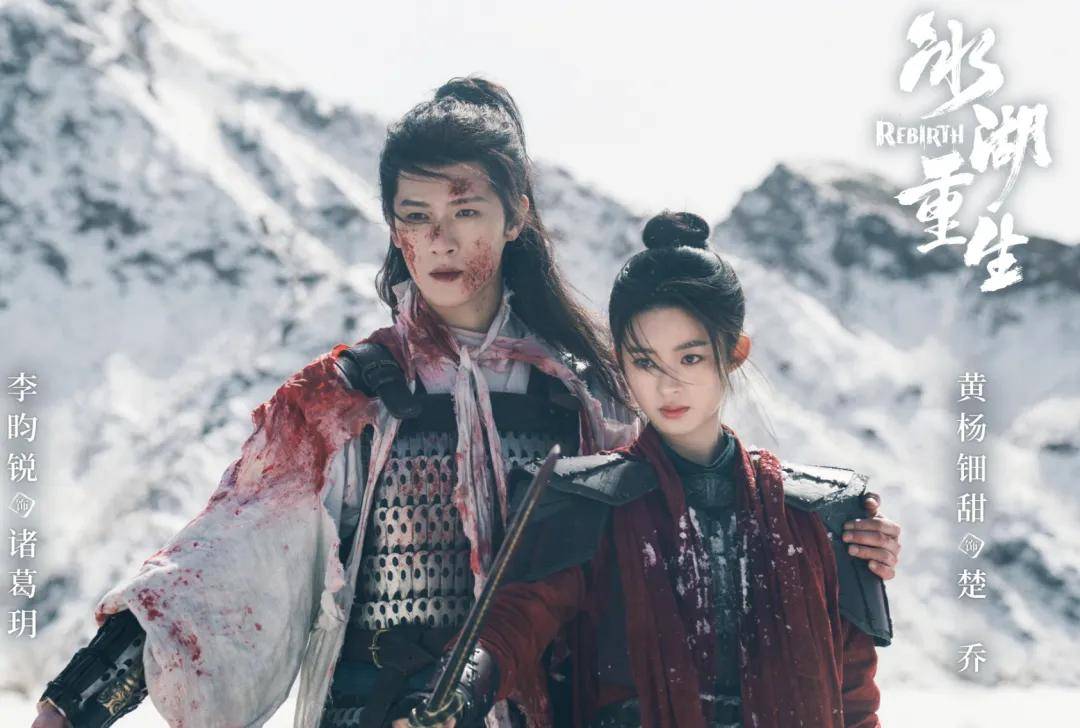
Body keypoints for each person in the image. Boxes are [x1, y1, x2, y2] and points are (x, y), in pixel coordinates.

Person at [32, 81, 899, 728]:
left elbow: (693, 528)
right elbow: (213, 568)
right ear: (393, 229)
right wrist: (79, 699)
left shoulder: (585, 395)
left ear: (514, 216)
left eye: (466, 210)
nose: (440, 239)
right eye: (415, 215)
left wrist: (842, 541)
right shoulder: (346, 399)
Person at [402, 212, 898, 728]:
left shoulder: (817, 514)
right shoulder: (587, 505)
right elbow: (514, 624)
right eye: (645, 362)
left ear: (733, 353)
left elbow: (855, 698)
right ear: (620, 361)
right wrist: (453, 692)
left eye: (690, 358)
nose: (668, 385)